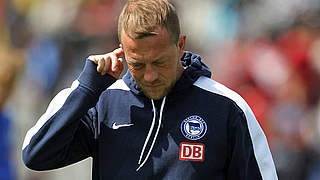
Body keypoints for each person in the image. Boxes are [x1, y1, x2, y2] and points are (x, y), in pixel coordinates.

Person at [22, 0, 278, 179]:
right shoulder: (105, 101)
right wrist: (86, 89)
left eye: (159, 62)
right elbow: (36, 154)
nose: (150, 75)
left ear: (180, 45)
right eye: (138, 64)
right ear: (122, 52)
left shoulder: (227, 107)